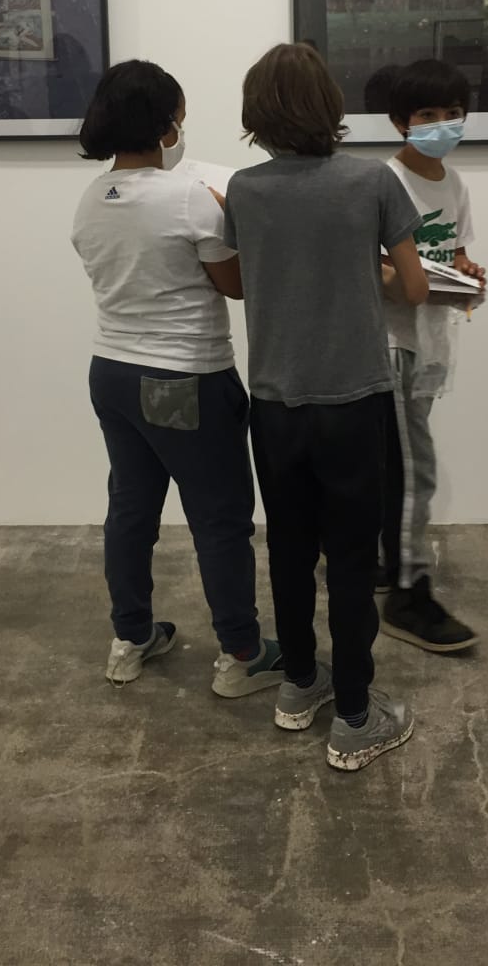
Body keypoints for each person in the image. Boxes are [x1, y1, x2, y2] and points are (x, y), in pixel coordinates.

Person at [223, 44, 428, 772]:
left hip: (274, 403)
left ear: (258, 114)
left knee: (286, 549)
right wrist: (363, 265)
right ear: (330, 106)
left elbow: (241, 283)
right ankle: (354, 715)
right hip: (353, 401)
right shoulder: (371, 181)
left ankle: (298, 687)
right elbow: (414, 288)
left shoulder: (244, 190)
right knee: (347, 560)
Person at [71, 59, 283, 697]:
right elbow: (237, 287)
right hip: (184, 375)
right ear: (163, 122)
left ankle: (131, 638)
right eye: (179, 117)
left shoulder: (90, 200)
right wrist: (228, 216)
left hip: (111, 371)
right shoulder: (189, 195)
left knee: (130, 510)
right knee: (219, 520)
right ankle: (243, 653)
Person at [379, 58, 483, 652]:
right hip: (396, 343)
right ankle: (407, 587)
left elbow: (456, 252)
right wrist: (418, 281)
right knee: (416, 469)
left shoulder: (455, 183)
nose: (442, 124)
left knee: (398, 464)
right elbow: (378, 270)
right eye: (427, 115)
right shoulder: (385, 183)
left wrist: (467, 275)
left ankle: (387, 565)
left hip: (436, 340)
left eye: (452, 114)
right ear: (400, 122)